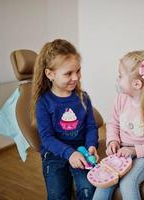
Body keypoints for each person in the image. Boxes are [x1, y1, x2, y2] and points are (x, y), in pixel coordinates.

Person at [93, 50, 144, 200]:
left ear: (136, 84)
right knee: (104, 180)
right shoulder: (120, 99)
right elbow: (113, 123)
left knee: (128, 183)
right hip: (123, 151)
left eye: (120, 76)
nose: (117, 79)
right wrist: (113, 141)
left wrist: (135, 150)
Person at [30, 39, 99, 200]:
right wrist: (69, 154)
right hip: (54, 155)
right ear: (50, 74)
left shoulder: (83, 97)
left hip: (81, 150)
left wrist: (91, 146)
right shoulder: (44, 103)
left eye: (78, 71)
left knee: (88, 191)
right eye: (68, 73)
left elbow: (91, 127)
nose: (75, 77)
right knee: (58, 195)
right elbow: (47, 139)